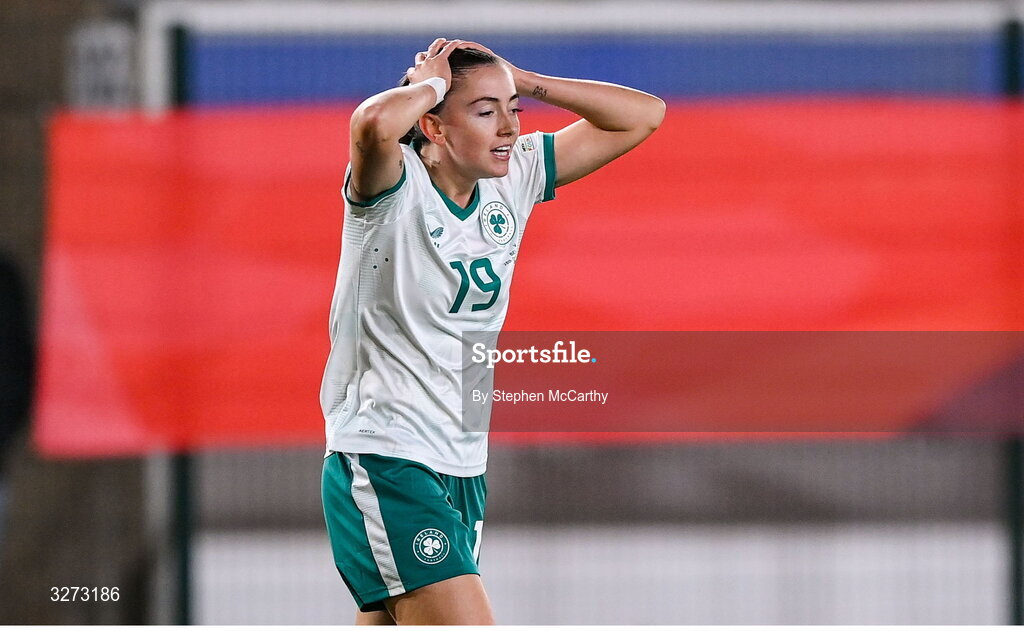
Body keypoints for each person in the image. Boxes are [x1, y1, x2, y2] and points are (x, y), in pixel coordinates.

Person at [320, 38, 664, 625]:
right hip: (387, 454)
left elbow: (642, 116)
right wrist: (428, 84)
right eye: (484, 112)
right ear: (434, 126)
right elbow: (374, 124)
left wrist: (521, 79)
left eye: (513, 110)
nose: (508, 126)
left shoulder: (514, 178)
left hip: (462, 462)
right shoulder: (392, 189)